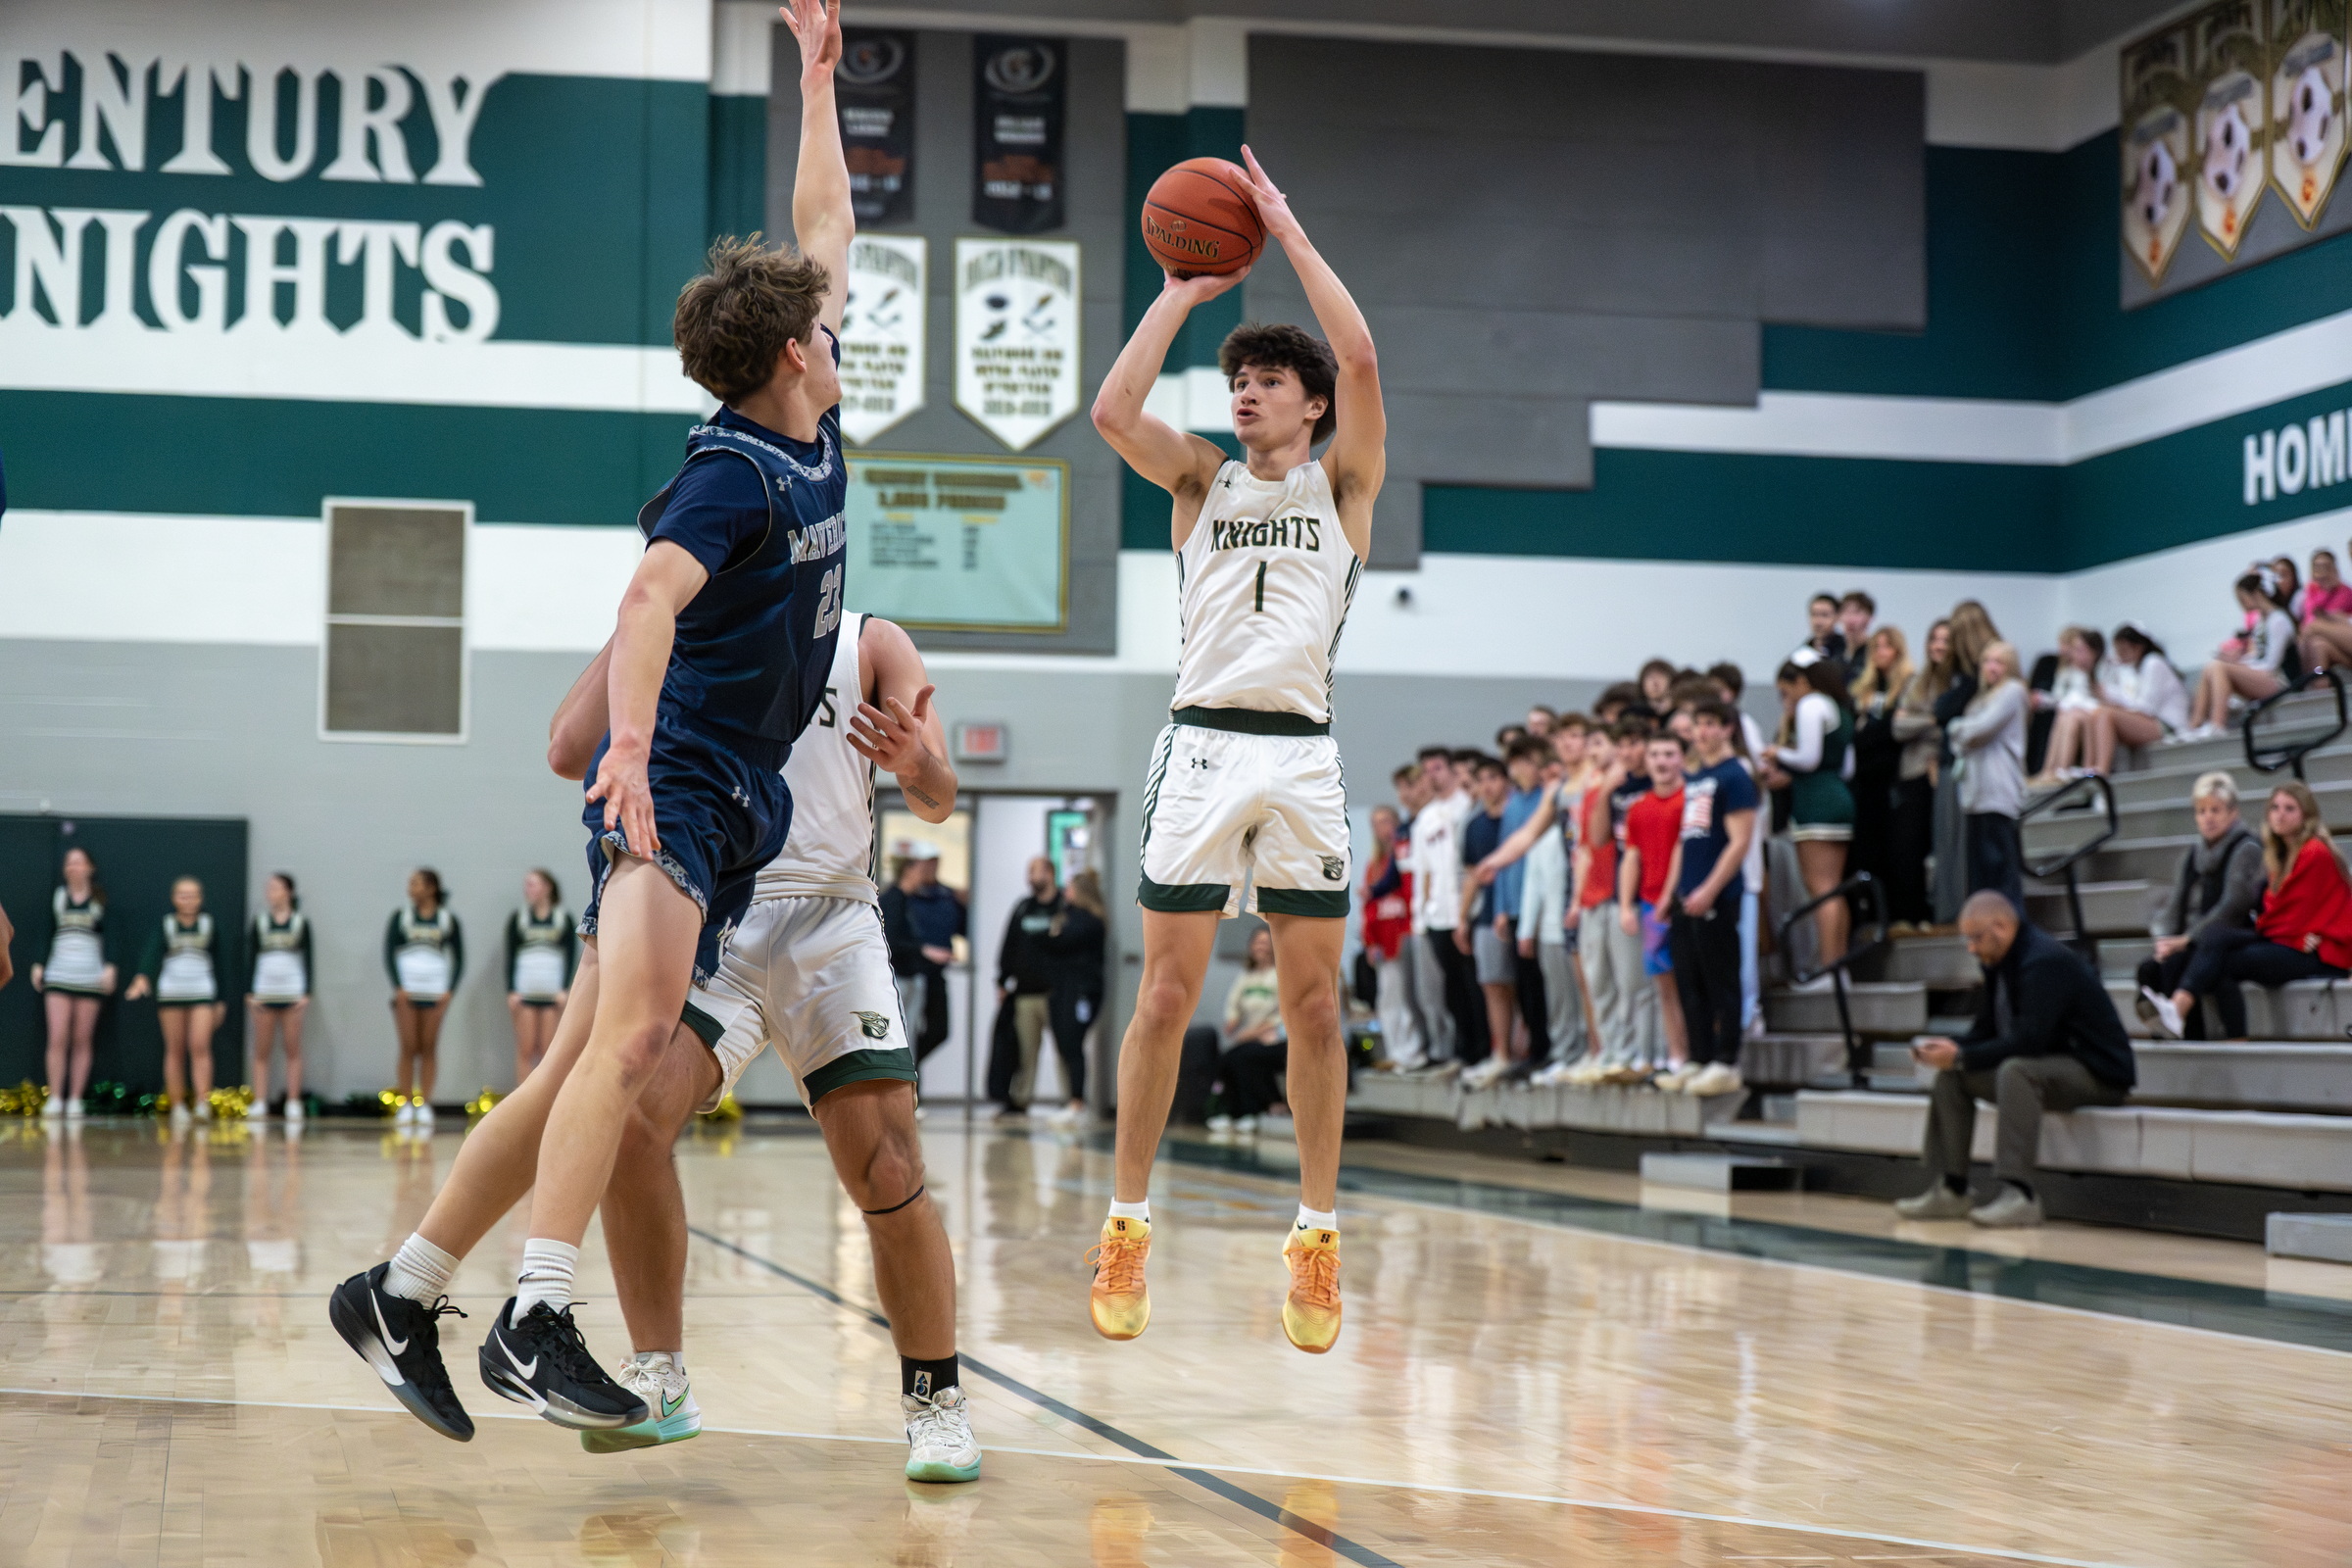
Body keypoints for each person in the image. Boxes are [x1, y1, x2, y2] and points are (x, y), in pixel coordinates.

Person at [330, 0, 962, 1466]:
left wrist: (817, 81)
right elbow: (647, 598)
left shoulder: (805, 427)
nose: (839, 315)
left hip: (741, 821)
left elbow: (824, 220)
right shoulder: (731, 480)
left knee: (568, 1075)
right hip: (684, 790)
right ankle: (538, 1313)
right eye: (828, 318)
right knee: (617, 1062)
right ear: (802, 352)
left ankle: (402, 1289)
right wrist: (624, 747)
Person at [1086, 140, 1384, 1354]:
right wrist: (1177, 289)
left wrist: (1285, 230)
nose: (1246, 392)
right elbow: (1111, 410)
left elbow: (1360, 353)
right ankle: (1125, 1219)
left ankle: (1315, 1237)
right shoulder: (1200, 480)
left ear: (1309, 406)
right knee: (1163, 993)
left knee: (1315, 1009)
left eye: (1267, 380)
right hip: (1203, 749)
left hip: (1304, 756)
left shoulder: (1344, 485)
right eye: (1240, 379)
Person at [1895, 892, 2135, 1229]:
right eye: (1967, 939)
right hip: (2049, 1067)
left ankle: (2020, 1194)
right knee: (1953, 1076)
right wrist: (1948, 1048)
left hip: (2097, 1075)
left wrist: (1962, 1055)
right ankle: (1952, 1189)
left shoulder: (2044, 961)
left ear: (2002, 926)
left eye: (1976, 937)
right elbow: (1986, 1030)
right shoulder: (1998, 962)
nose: (1971, 947)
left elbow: (2029, 1041)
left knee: (2016, 1070)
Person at [2143, 781, 2352, 1041]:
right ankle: (2193, 1019)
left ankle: (2197, 1019)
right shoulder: (2278, 855)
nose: (2280, 814)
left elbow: (2298, 913)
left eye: (2290, 808)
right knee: (2215, 938)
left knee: (2221, 960)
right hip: (2286, 938)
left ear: (2306, 815)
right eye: (2275, 807)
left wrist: (2308, 935)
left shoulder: (2314, 851)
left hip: (2317, 953)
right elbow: (2280, 916)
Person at [1663, 701, 1759, 1098]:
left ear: (1726, 729)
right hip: (1688, 895)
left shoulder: (1734, 776)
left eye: (1709, 724)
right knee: (1690, 980)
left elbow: (1739, 842)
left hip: (1716, 894)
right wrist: (1674, 892)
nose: (1701, 732)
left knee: (1721, 979)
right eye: (1696, 724)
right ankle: (1699, 1058)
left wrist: (1710, 888)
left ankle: (1726, 1060)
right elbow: (1687, 841)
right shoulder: (1696, 777)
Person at [2134, 772, 2262, 1040]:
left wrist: (2187, 939)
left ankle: (2188, 1030)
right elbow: (2174, 906)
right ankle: (2172, 1032)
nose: (2208, 817)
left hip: (2235, 933)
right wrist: (2164, 940)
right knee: (2154, 966)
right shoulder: (2192, 853)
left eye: (2215, 810)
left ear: (2233, 812)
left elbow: (2233, 905)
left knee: (2194, 954)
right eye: (2202, 811)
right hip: (2199, 938)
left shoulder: (2247, 846)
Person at [1763, 655, 1855, 965]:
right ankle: (1837, 965)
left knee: (1821, 889)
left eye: (1786, 692)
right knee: (1832, 888)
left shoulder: (1811, 704)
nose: (1787, 700)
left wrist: (1777, 752)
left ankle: (1829, 968)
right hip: (1838, 797)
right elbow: (1847, 766)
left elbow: (1809, 758)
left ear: (1801, 681)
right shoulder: (1840, 708)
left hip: (1816, 804)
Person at [125, 876, 226, 1125]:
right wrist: (142, 978)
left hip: (202, 990)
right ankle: (178, 1105)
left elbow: (222, 964)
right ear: (174, 899)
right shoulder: (166, 925)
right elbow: (151, 954)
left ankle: (202, 1104)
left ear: (200, 899)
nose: (188, 900)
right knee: (175, 1049)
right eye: (182, 895)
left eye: (192, 895)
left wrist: (221, 1000)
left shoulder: (209, 925)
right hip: (171, 992)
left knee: (200, 1046)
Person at [1620, 731, 1689, 1078]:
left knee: (1688, 981)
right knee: (1663, 984)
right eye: (1655, 754)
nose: (1661, 761)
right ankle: (1675, 1053)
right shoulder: (1638, 808)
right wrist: (1625, 905)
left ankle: (1694, 1051)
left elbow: (1683, 848)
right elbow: (1632, 856)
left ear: (1682, 760)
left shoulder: (1689, 801)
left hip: (1679, 903)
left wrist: (1668, 897)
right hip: (1649, 904)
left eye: (1669, 754)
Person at [1933, 601, 2002, 923]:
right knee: (1951, 848)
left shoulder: (1987, 679)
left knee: (1966, 849)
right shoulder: (1959, 677)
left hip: (1975, 770)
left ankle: (1969, 914)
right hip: (1957, 766)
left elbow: (1944, 711)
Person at [1413, 746, 1483, 1068]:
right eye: (1427, 769)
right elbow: (1422, 870)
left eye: (1438, 767)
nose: (1432, 775)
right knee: (1451, 986)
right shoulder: (1425, 817)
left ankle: (1484, 1047)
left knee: (1474, 983)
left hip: (1466, 908)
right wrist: (1421, 914)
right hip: (1437, 913)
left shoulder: (1467, 806)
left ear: (1453, 770)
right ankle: (1464, 1047)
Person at [1454, 756, 1521, 1090]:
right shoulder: (1474, 824)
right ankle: (1503, 1053)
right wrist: (1462, 919)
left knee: (1523, 985)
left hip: (1516, 909)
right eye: (1482, 780)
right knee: (1493, 984)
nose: (1488, 785)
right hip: (1485, 914)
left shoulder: (1517, 816)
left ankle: (1526, 1050)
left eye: (1495, 777)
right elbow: (1472, 876)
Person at [32, 847, 113, 1121]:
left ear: (90, 868)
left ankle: (76, 1099)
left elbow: (110, 937)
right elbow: (46, 932)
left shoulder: (99, 900)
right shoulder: (58, 898)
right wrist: (39, 963)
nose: (73, 867)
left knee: (82, 1038)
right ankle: (55, 1097)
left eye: (79, 862)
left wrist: (110, 968)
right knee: (57, 1037)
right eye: (69, 863)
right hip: (59, 973)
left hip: (90, 974)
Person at [1948, 641, 2029, 911]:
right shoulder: (1978, 700)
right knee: (1980, 878)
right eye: (1987, 660)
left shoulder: (2013, 691)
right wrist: (1964, 732)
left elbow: (1979, 730)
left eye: (1999, 661)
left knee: (2001, 872)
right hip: (1974, 795)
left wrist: (1959, 728)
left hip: (1999, 793)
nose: (1991, 667)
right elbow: (1959, 742)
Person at [384, 869, 462, 1128]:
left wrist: (449, 989)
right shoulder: (401, 917)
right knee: (408, 1046)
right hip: (408, 990)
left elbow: (458, 957)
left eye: (416, 883)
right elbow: (388, 952)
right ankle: (406, 1103)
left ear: (431, 888)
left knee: (429, 1046)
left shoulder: (446, 919)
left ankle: (425, 1103)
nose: (410, 887)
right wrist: (398, 986)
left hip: (435, 991)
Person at [1887, 621, 1953, 928]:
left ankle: (1937, 913)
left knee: (1939, 844)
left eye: (1945, 640)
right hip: (1912, 771)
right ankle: (1909, 915)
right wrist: (1933, 719)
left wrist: (1919, 721)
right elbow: (1898, 727)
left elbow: (1951, 730)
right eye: (1934, 639)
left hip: (1942, 772)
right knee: (1908, 845)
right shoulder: (1917, 681)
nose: (1938, 645)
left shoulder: (1958, 683)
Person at [2186, 571, 2298, 737]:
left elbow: (2271, 664)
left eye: (2242, 597)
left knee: (2218, 667)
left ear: (2256, 594)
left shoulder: (2278, 620)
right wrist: (2238, 660)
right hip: (2265, 675)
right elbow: (2258, 656)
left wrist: (2240, 665)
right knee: (2210, 667)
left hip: (2280, 680)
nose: (2241, 603)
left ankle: (2217, 724)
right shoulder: (2261, 621)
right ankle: (2194, 726)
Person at [993, 856, 1063, 1121]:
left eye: (1034, 872)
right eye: (1028, 872)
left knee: (1064, 1049)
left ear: (1050, 873)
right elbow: (1008, 944)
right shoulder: (1023, 908)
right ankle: (1020, 1101)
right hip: (1025, 993)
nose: (1030, 878)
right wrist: (1002, 980)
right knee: (1024, 1052)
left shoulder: (1063, 907)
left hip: (1055, 993)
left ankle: (1072, 1101)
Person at [881, 846, 962, 1067]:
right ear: (908, 870)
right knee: (902, 1039)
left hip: (913, 977)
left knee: (912, 1038)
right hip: (900, 979)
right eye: (920, 868)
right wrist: (925, 950)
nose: (925, 873)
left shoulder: (907, 899)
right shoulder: (894, 899)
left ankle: (910, 1089)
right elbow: (891, 941)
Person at [1849, 626, 1910, 912]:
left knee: (1893, 851)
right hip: (1865, 780)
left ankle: (1895, 912)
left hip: (1892, 778)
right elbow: (1858, 734)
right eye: (1876, 647)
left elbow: (1893, 732)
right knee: (1867, 851)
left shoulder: (1907, 685)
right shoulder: (1865, 690)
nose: (1880, 653)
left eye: (1887, 646)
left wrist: (1870, 736)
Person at [245, 872, 312, 1122]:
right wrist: (249, 993)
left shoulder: (299, 923)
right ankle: (260, 1101)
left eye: (276, 887)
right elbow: (250, 957)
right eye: (268, 887)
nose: (270, 892)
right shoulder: (260, 923)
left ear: (288, 892)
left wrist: (307, 993)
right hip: (264, 993)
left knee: (293, 1048)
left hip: (292, 992)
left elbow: (309, 958)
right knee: (261, 1050)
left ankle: (293, 1101)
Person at [1044, 868, 1107, 1123]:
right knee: (1064, 1044)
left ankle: (1078, 1103)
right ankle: (1073, 1100)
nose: (1064, 893)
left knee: (1073, 1044)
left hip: (1082, 992)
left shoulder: (1089, 921)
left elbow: (1061, 940)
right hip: (1063, 989)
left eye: (1069, 888)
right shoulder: (1069, 916)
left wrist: (1055, 934)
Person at [1361, 804, 1422, 1070]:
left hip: (1403, 934)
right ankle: (1396, 1050)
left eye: (1386, 821)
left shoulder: (1405, 856)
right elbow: (1368, 907)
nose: (1382, 828)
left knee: (1410, 997)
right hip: (1383, 941)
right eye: (1376, 822)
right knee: (1388, 998)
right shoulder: (1373, 865)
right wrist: (1370, 941)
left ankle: (1412, 1050)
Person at [2082, 623, 2188, 773]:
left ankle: (2101, 770)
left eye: (2123, 651)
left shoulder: (2153, 664)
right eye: (2118, 651)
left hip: (2168, 726)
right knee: (2095, 714)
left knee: (2105, 714)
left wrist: (2113, 697)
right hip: (2151, 720)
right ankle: (2089, 767)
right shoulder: (2134, 669)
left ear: (2138, 647)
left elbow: (2146, 708)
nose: (2120, 656)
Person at [506, 869, 577, 1085]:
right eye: (527, 884)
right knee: (525, 1049)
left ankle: (544, 1104)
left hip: (551, 992)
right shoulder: (518, 918)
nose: (528, 889)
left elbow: (571, 957)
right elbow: (510, 956)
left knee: (547, 1051)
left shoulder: (563, 918)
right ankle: (522, 1103)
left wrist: (564, 989)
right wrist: (511, 990)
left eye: (533, 884)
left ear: (547, 887)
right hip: (525, 990)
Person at [1213, 926, 1287, 1134]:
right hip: (1252, 1038)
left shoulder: (1280, 975)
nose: (1260, 947)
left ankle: (1255, 1110)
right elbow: (1233, 1003)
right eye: (1257, 942)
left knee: (1246, 1057)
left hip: (1277, 1039)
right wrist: (1233, 1020)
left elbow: (1283, 1013)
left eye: (1265, 942)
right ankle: (1233, 1113)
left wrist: (1255, 1032)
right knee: (1228, 1059)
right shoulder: (1246, 976)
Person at [2031, 626, 2109, 785]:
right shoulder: (2069, 671)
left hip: (2094, 711)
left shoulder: (2103, 671)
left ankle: (2063, 768)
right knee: (2064, 716)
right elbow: (2063, 697)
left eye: (2080, 650)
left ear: (2094, 653)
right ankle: (2050, 769)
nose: (2074, 655)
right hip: (2078, 709)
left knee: (2070, 716)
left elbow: (2100, 699)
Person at [2298, 547, 2352, 672]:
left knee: (2314, 627)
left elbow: (2320, 620)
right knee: (2318, 645)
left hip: (2341, 641)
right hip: (2325, 640)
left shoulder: (2345, 592)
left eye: (2326, 567)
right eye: (2317, 567)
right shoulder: (2310, 591)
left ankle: (2302, 678)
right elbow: (2311, 616)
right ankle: (2317, 683)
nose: (2322, 572)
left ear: (2334, 568)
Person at [1837, 591, 1876, 685]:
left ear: (1870, 618)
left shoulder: (1874, 652)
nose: (1850, 620)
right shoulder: (1835, 652)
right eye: (1845, 612)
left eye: (1856, 612)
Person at [1802, 592, 1845, 664]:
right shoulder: (1803, 651)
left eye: (1824, 615)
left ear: (1837, 617)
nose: (1818, 622)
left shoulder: (1846, 652)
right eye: (1814, 614)